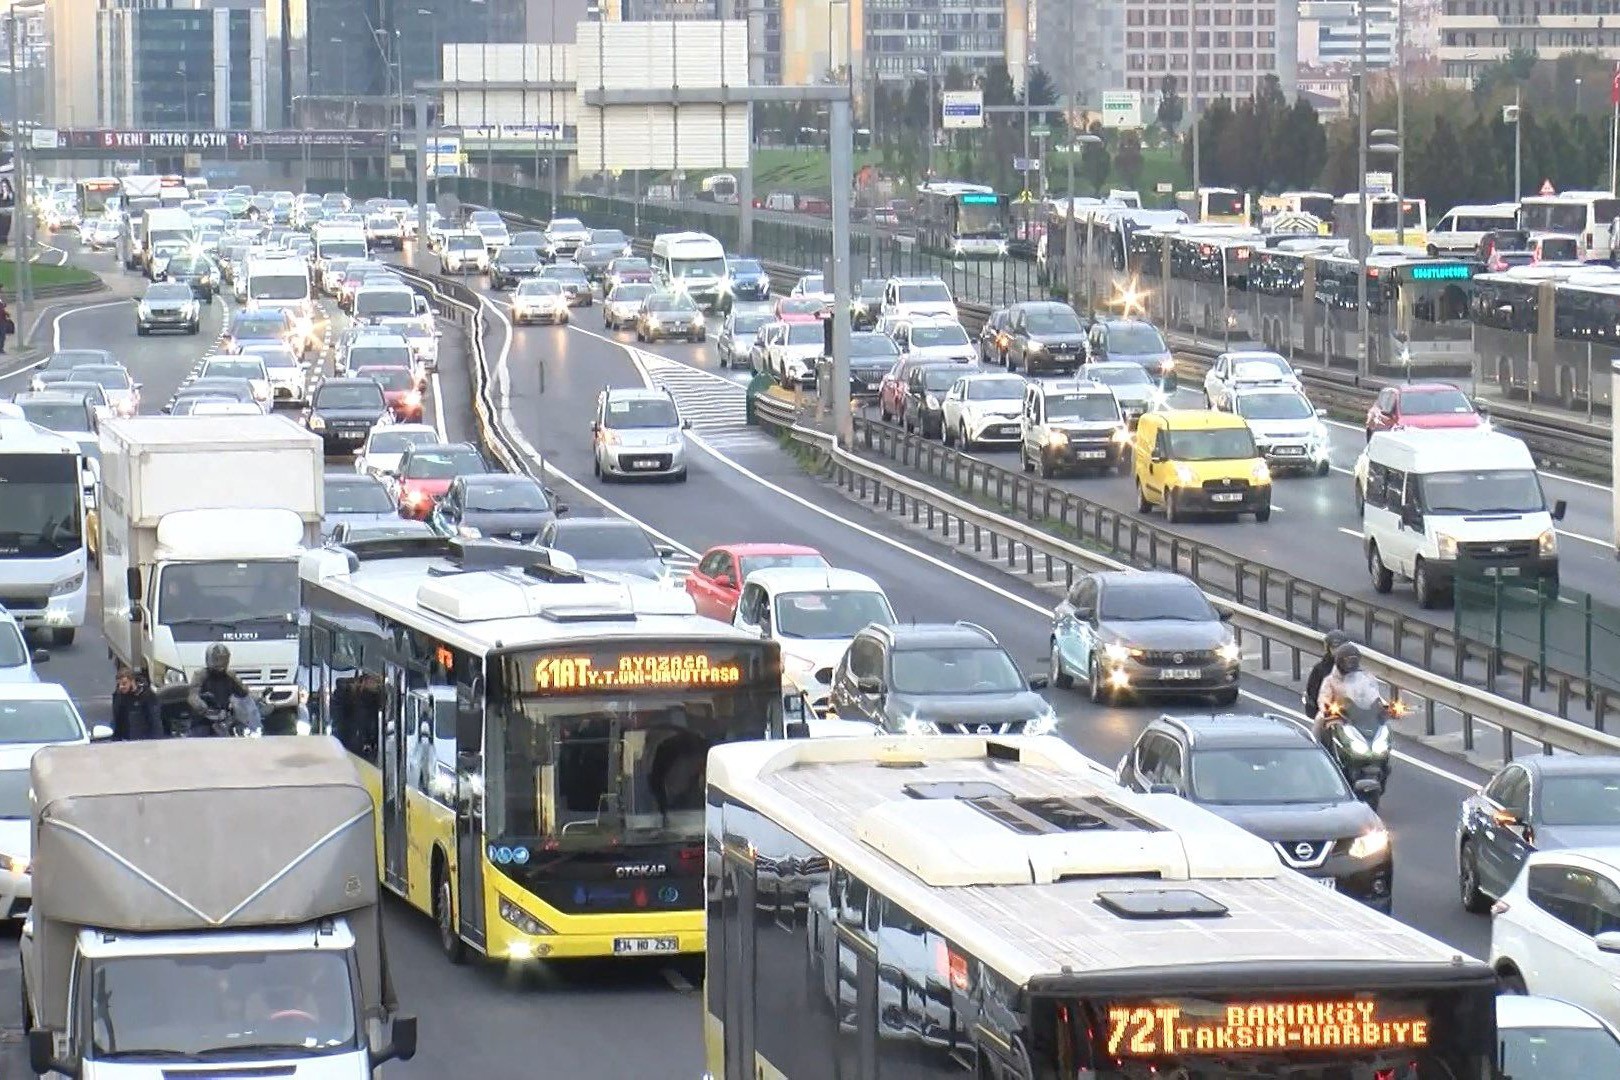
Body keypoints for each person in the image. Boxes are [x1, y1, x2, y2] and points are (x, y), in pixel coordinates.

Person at [1314, 642, 1383, 742]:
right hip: (1339, 716)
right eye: (1347, 659)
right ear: (1340, 661)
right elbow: (1324, 697)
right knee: (1319, 718)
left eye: (1354, 659)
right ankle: (1316, 745)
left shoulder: (1363, 678)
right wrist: (1326, 709)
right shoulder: (1330, 680)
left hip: (1359, 714)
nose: (1351, 662)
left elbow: (1373, 694)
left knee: (1383, 725)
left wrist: (1383, 705)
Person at [186, 643, 252, 737]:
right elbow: (193, 696)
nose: (220, 663)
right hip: (204, 719)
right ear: (209, 659)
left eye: (223, 659)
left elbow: (244, 693)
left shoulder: (230, 675)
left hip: (224, 718)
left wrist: (257, 699)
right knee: (199, 735)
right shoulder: (201, 675)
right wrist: (202, 706)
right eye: (216, 659)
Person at [1304, 630, 1351, 719]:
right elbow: (1313, 693)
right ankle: (1316, 733)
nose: (1338, 651)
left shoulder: (1353, 667)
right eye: (1334, 648)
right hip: (1328, 710)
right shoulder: (1320, 669)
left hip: (1350, 710)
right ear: (1328, 648)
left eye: (1341, 648)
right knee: (1319, 720)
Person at [111, 666, 165, 740]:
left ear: (132, 681)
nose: (121, 687)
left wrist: (156, 742)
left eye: (124, 683)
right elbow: (117, 723)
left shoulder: (147, 695)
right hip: (126, 743)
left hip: (145, 743)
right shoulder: (118, 697)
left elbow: (155, 722)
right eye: (119, 684)